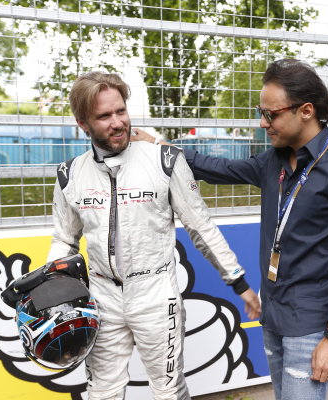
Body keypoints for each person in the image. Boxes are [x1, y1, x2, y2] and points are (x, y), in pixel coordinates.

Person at [134, 59, 328, 400]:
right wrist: (159, 147)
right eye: (260, 112)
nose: (262, 123)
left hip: (310, 325)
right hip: (273, 314)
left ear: (306, 110)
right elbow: (218, 167)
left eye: (271, 114)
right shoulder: (273, 161)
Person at [47, 71, 261, 400]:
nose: (118, 122)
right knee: (101, 392)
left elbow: (200, 226)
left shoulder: (165, 160)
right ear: (83, 124)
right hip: (102, 297)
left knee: (168, 392)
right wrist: (57, 292)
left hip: (156, 296)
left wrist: (239, 282)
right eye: (104, 116)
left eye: (121, 111)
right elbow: (64, 239)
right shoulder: (69, 175)